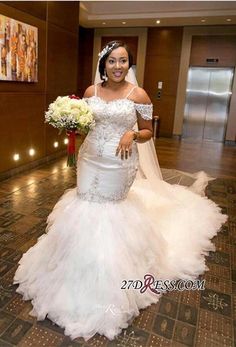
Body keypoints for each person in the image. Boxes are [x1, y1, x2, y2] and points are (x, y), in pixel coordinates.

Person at [13, 41, 227, 341]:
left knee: (110, 211)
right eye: (112, 61)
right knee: (84, 203)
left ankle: (109, 281)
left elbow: (148, 130)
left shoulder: (137, 94)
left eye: (123, 61)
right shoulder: (91, 92)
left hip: (120, 161)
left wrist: (132, 133)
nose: (117, 66)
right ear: (104, 64)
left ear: (129, 64)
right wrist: (70, 122)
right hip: (90, 160)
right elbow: (87, 124)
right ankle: (72, 270)